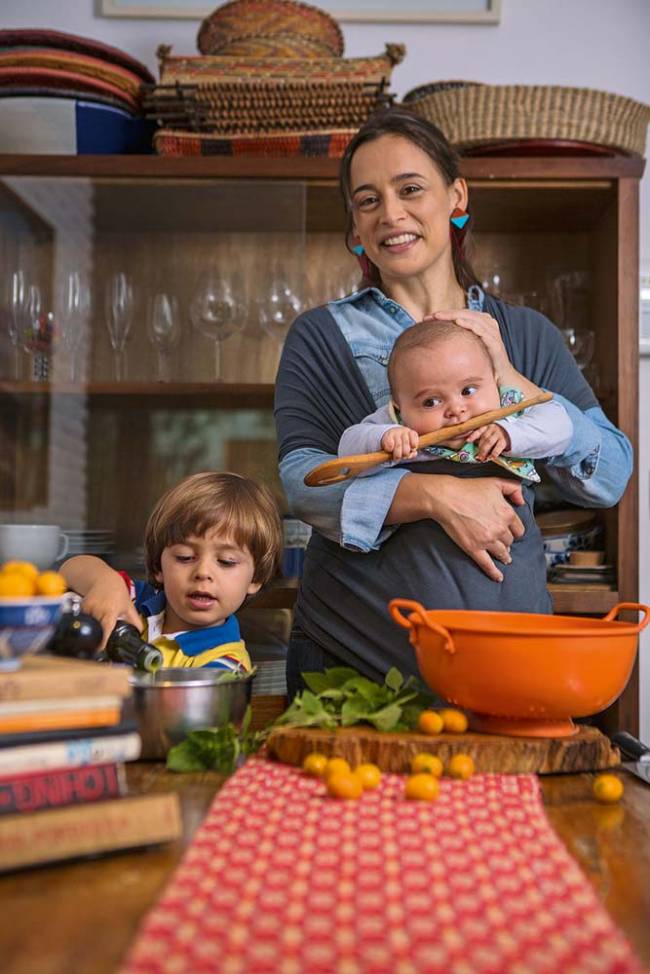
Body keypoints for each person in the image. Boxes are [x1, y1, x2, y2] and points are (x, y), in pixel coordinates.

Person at [274, 107, 632, 699]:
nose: (391, 214)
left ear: (455, 195)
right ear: (356, 226)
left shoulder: (526, 334)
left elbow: (611, 474)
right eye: (367, 201)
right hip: (352, 658)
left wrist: (509, 375)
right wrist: (436, 495)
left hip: (508, 657)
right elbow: (302, 482)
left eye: (410, 189)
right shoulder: (321, 335)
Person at [60, 471, 282, 671]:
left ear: (256, 577)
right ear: (158, 566)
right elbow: (69, 569)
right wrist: (105, 583)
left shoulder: (228, 664)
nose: (203, 572)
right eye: (185, 557)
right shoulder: (135, 602)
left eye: (226, 561)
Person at [338, 318, 573, 485]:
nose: (456, 410)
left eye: (468, 390)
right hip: (420, 549)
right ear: (400, 406)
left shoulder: (507, 408)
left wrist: (510, 434)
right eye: (430, 402)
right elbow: (347, 451)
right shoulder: (399, 425)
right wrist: (384, 438)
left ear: (495, 381)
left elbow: (561, 428)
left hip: (515, 549)